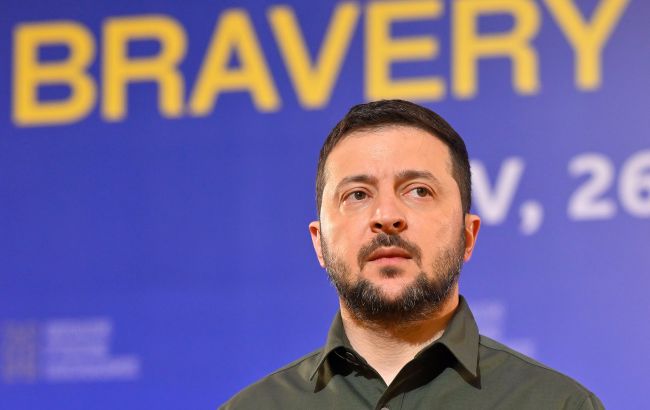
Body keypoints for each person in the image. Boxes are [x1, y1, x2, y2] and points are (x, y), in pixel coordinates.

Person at [220, 100, 604, 409]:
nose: (387, 216)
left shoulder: (559, 404)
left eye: (419, 191)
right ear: (319, 243)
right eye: (357, 194)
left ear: (467, 235)